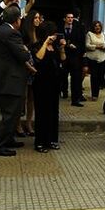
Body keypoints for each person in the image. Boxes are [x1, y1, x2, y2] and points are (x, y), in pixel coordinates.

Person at [0, 6, 31, 156]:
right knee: (10, 115)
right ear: (17, 19)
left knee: (12, 113)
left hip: (2, 79)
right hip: (9, 81)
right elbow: (23, 56)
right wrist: (26, 50)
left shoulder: (0, 30)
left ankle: (9, 139)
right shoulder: (12, 33)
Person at [31, 22, 65, 152]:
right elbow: (38, 58)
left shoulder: (55, 47)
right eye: (52, 33)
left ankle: (52, 139)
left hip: (54, 82)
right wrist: (45, 43)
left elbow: (63, 58)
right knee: (42, 112)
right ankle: (40, 142)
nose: (54, 36)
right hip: (41, 82)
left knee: (53, 111)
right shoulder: (37, 45)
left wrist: (62, 48)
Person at [17, 9, 44, 137]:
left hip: (36, 69)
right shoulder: (24, 33)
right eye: (35, 18)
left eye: (39, 18)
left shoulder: (39, 33)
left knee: (32, 99)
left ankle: (28, 123)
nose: (38, 20)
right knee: (22, 97)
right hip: (25, 68)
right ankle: (17, 124)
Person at [61, 10, 86, 107]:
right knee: (63, 76)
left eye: (72, 17)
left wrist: (78, 50)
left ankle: (75, 99)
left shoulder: (78, 28)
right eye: (68, 17)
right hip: (63, 56)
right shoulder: (60, 28)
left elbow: (82, 42)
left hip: (75, 57)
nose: (70, 19)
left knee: (76, 78)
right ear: (65, 19)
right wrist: (66, 45)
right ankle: (64, 92)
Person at [84, 20, 105, 102]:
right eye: (96, 26)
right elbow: (87, 45)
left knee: (100, 77)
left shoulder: (103, 34)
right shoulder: (89, 34)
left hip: (103, 58)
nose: (97, 27)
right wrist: (97, 46)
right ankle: (94, 95)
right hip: (92, 59)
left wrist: (104, 47)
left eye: (99, 26)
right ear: (93, 27)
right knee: (94, 77)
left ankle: (98, 89)